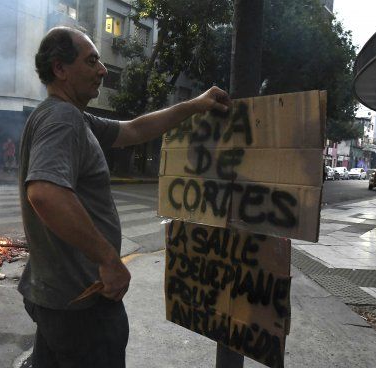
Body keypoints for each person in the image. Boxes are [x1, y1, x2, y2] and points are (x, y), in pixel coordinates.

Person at [19, 26, 231, 368]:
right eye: (91, 61)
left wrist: (194, 105)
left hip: (59, 297)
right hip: (82, 303)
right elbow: (44, 193)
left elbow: (133, 130)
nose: (102, 70)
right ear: (60, 69)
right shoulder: (62, 119)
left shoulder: (70, 116)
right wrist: (107, 258)